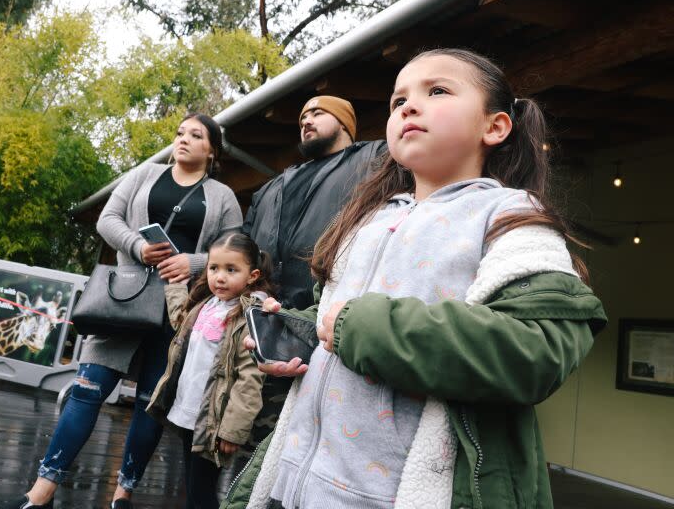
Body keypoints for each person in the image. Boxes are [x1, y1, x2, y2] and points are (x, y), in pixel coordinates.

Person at [224, 48, 607, 509]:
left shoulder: (511, 216)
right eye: (397, 100)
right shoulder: (364, 221)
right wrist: (299, 331)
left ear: (495, 127)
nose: (408, 106)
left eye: (437, 90)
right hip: (293, 485)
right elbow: (336, 320)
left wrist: (362, 328)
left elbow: (540, 348)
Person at [4, 113, 243, 509]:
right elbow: (107, 220)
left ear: (211, 150)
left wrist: (194, 264)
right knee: (88, 387)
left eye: (195, 135)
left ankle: (123, 493)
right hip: (124, 297)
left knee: (150, 402)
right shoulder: (145, 174)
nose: (183, 139)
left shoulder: (222, 197)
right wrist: (137, 246)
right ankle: (42, 490)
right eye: (180, 132)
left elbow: (233, 251)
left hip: (178, 308)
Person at [243, 95, 387, 443]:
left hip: (328, 328)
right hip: (265, 325)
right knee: (246, 442)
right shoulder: (274, 186)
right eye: (303, 116)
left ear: (344, 123)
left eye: (318, 113)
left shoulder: (374, 158)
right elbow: (243, 242)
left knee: (304, 436)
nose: (306, 120)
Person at [146, 233, 275, 509]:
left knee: (201, 490)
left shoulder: (249, 317)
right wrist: (176, 284)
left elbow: (250, 378)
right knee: (192, 486)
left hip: (215, 423)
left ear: (252, 276)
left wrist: (232, 430)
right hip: (189, 411)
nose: (220, 277)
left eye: (231, 270)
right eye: (214, 268)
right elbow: (180, 317)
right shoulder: (208, 304)